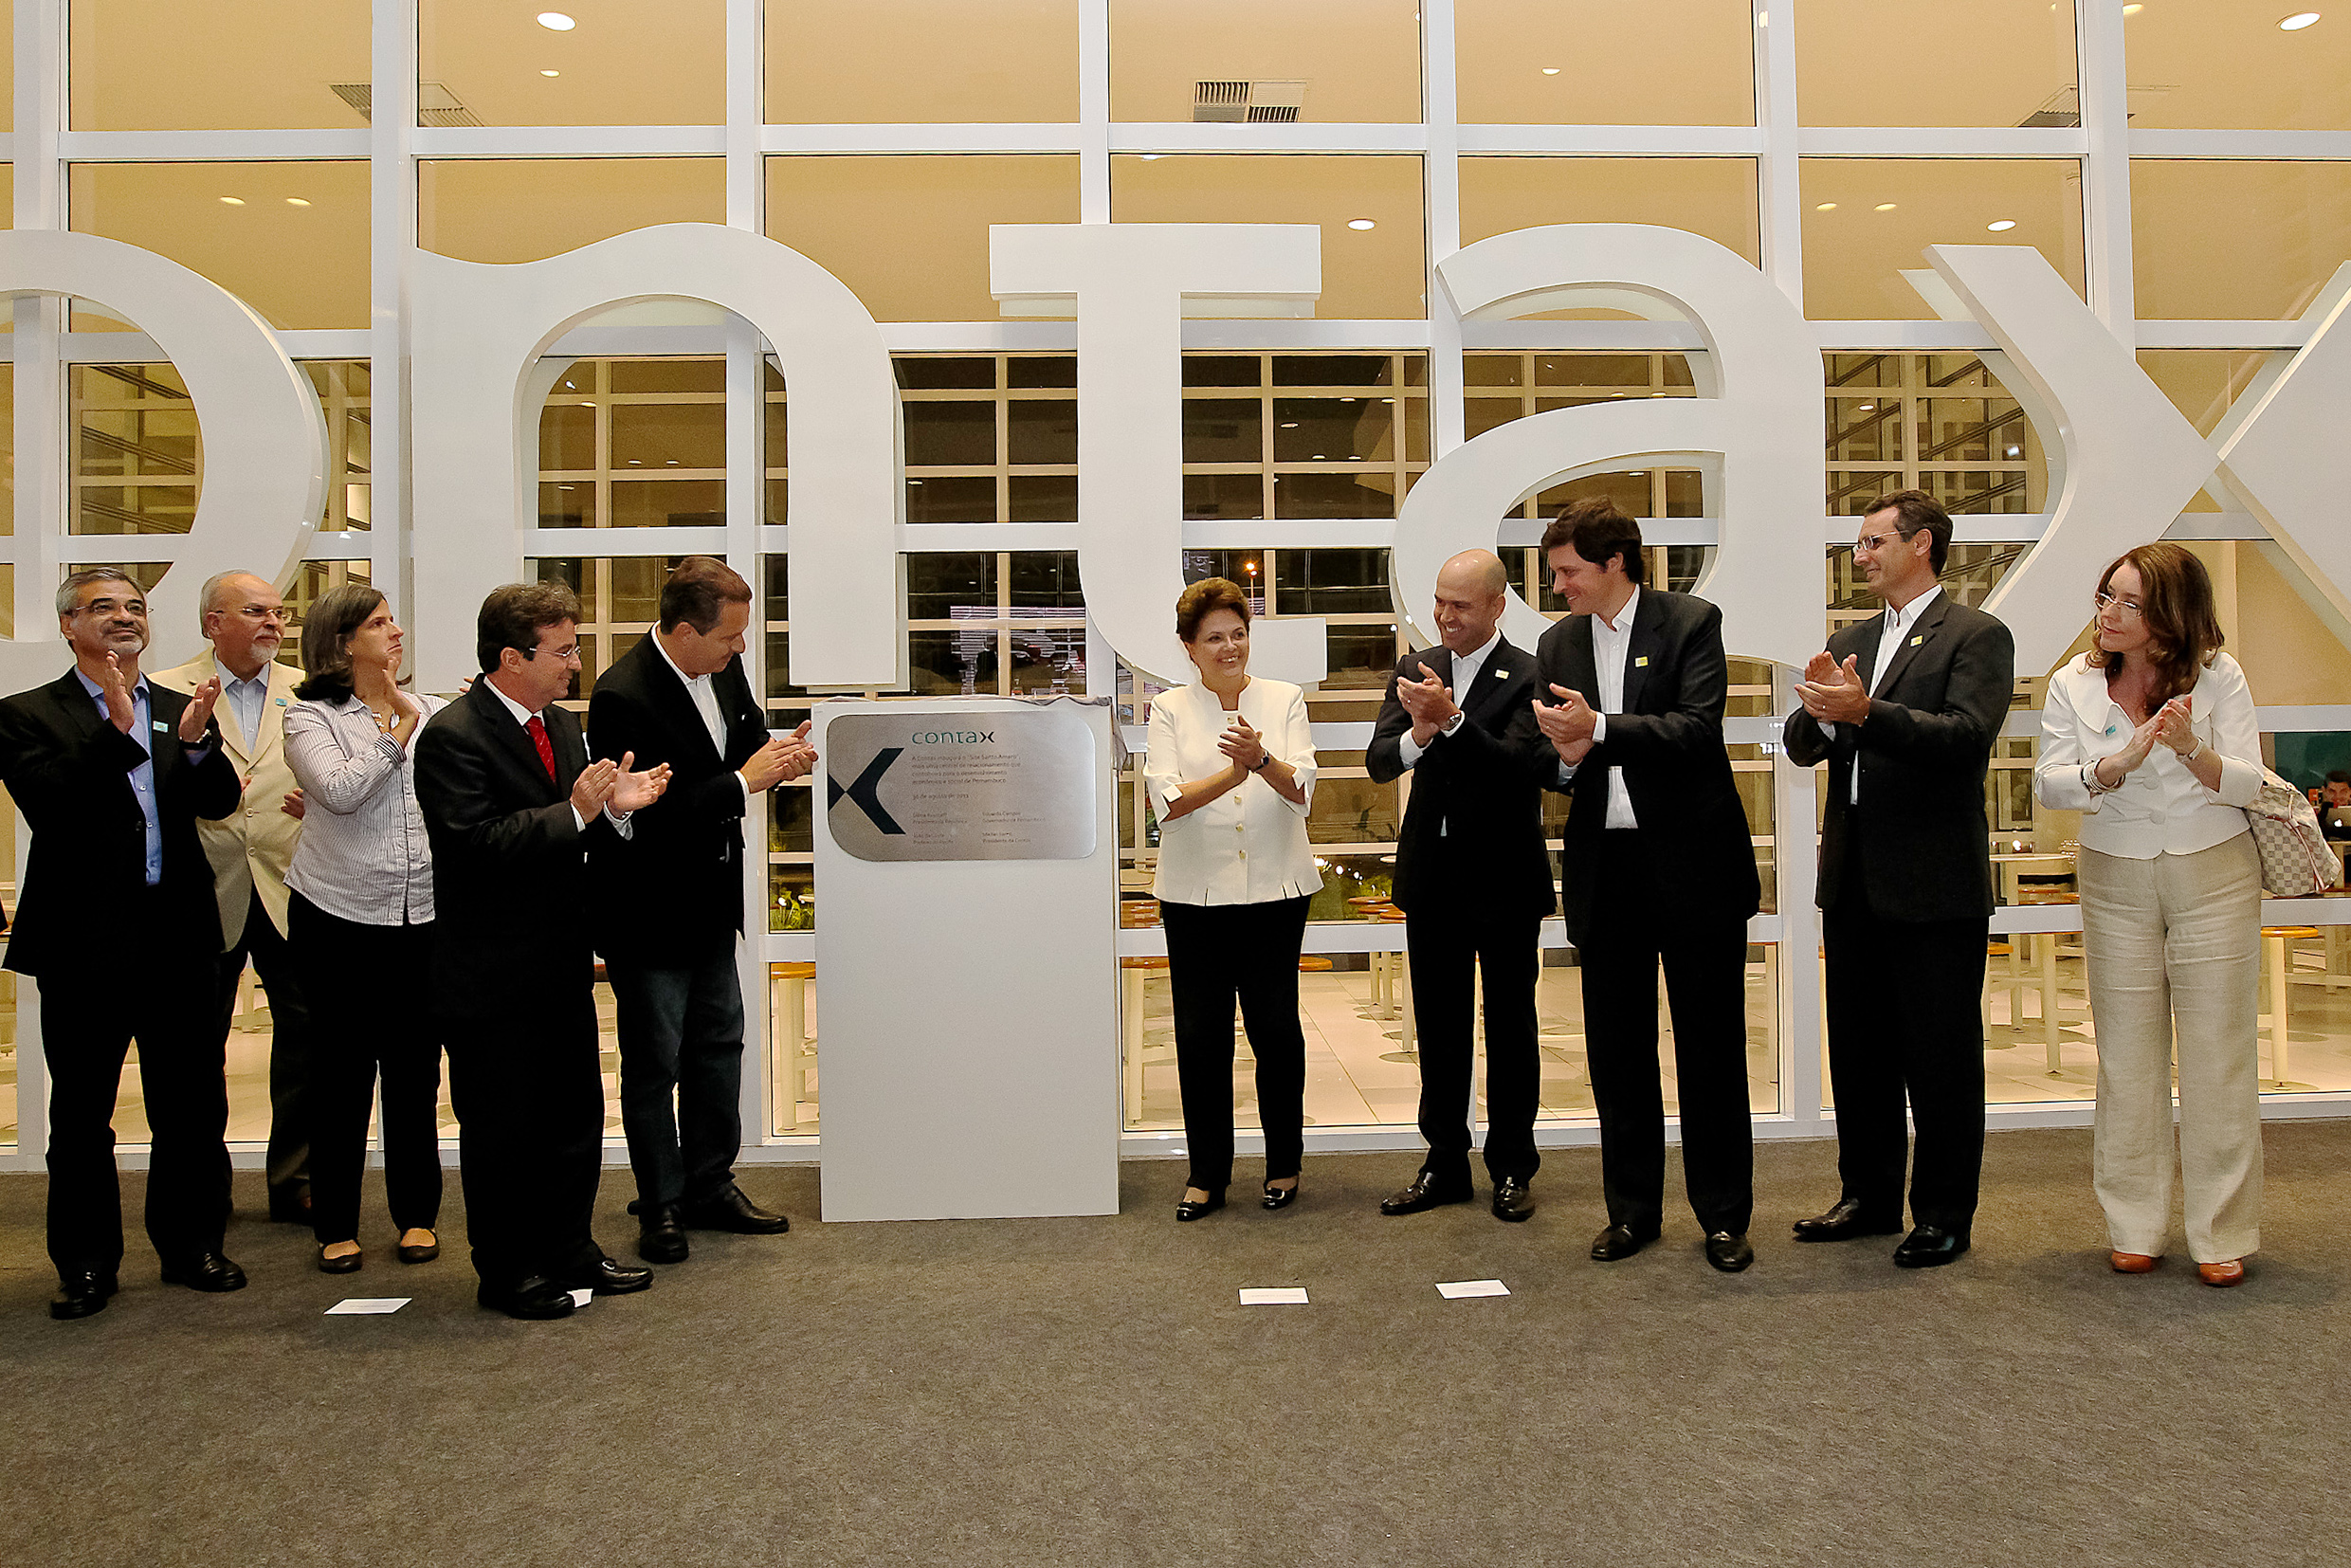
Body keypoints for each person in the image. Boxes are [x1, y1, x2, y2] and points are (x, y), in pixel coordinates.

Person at [413, 582, 671, 1319]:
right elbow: (473, 847)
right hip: (489, 974)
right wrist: (578, 810)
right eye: (562, 651)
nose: (575, 662)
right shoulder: (454, 736)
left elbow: (571, 833)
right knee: (503, 1131)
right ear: (509, 657)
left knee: (573, 1120)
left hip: (560, 965)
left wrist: (614, 811)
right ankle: (508, 1270)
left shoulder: (561, 727)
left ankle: (570, 1250)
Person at [1520, 499, 1762, 1272]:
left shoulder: (1692, 622)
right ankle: (1631, 1213)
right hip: (1607, 870)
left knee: (1710, 1050)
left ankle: (1724, 1217)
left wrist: (1600, 730)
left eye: (1567, 571)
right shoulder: (1556, 643)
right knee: (1617, 1052)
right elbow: (1548, 760)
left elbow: (1696, 729)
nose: (1557, 586)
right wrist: (1561, 754)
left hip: (1695, 867)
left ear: (1614, 562)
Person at [0, 568, 242, 1320]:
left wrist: (199, 747)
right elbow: (52, 803)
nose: (124, 619)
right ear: (69, 625)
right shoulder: (27, 713)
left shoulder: (177, 709)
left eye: (135, 607)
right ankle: (86, 1265)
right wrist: (110, 728)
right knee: (81, 1117)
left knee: (192, 1107)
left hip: (179, 941)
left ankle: (191, 1246)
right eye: (103, 608)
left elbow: (221, 801)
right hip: (83, 946)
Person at [1782, 491, 2015, 1268]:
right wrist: (1821, 711)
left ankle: (1945, 1212)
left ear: (1922, 545)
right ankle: (1869, 1197)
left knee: (1942, 1058)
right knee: (1860, 1053)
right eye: (1857, 544)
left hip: (1932, 884)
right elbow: (1800, 746)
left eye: (1874, 541)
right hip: (1852, 882)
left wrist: (1865, 711)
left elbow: (1964, 738)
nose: (1860, 556)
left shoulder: (1977, 635)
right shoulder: (1849, 638)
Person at [2035, 543, 2264, 1287]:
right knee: (2126, 1057)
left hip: (2214, 868)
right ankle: (2133, 1224)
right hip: (2115, 872)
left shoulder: (2219, 675)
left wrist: (2190, 747)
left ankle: (2221, 1232)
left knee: (2216, 1053)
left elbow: (2247, 782)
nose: (2109, 613)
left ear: (2169, 614)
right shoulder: (2074, 680)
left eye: (2129, 603)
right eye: (2106, 597)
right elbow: (2050, 783)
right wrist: (2114, 765)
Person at [588, 557, 812, 1265]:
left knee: (718, 1051)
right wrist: (744, 782)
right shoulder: (622, 695)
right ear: (685, 632)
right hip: (649, 912)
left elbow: (739, 752)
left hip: (714, 906)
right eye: (729, 638)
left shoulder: (723, 672)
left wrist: (781, 757)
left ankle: (711, 1184)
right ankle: (661, 1203)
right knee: (655, 1064)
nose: (740, 649)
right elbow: (647, 814)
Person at [1367, 550, 1554, 1222]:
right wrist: (1419, 733)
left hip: (1505, 879)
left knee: (1511, 1030)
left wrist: (1452, 721)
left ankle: (1512, 1166)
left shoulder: (1533, 673)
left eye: (1461, 605)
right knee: (1439, 1030)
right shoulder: (1415, 671)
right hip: (1433, 879)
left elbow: (1519, 767)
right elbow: (1379, 762)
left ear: (1497, 607)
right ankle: (1443, 1161)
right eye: (1440, 601)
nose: (1445, 616)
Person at [281, 585, 447, 1275]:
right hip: (337, 917)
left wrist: (420, 720)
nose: (397, 631)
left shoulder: (432, 710)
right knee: (341, 1078)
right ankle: (338, 1226)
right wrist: (397, 732)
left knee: (414, 1075)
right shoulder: (308, 717)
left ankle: (417, 1217)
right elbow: (342, 792)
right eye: (380, 624)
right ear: (345, 641)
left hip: (422, 917)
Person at [1142, 577, 1321, 1221]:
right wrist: (1235, 772)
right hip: (1194, 897)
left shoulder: (1284, 698)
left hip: (1277, 889)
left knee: (1275, 1029)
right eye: (1214, 637)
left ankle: (1284, 1165)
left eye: (1238, 634)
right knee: (1200, 1035)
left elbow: (1301, 790)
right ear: (1189, 647)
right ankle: (1206, 1175)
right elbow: (1167, 802)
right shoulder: (1169, 710)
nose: (1230, 647)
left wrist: (1262, 757)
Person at [155, 571, 316, 1226]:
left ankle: (298, 1179)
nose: (273, 623)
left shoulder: (306, 691)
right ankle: (203, 1189)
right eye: (255, 611)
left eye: (278, 613)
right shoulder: (163, 690)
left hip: (290, 882)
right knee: (195, 1049)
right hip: (201, 890)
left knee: (307, 1038)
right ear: (212, 622)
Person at [2319, 771, 2351, 841]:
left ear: (2350, 792)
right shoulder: (2313, 814)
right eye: (2332, 791)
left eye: (2343, 791)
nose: (2337, 797)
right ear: (2324, 791)